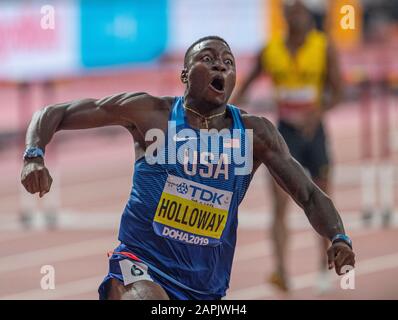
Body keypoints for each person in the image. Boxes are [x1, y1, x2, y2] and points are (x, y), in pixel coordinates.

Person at [21, 35, 353, 300]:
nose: (220, 67)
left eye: (228, 62)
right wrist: (34, 154)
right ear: (184, 75)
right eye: (207, 59)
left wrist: (338, 236)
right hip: (141, 264)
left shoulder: (255, 134)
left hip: (205, 284)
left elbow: (308, 194)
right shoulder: (151, 115)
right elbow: (54, 112)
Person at [232, 0, 342, 292]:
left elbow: (338, 91)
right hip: (284, 135)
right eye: (291, 12)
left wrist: (317, 113)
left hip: (314, 133)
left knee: (321, 199)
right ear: (284, 17)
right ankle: (281, 270)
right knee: (279, 205)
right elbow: (246, 86)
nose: (297, 17)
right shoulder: (271, 50)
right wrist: (226, 110)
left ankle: (323, 266)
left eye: (300, 12)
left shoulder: (323, 47)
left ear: (307, 16)